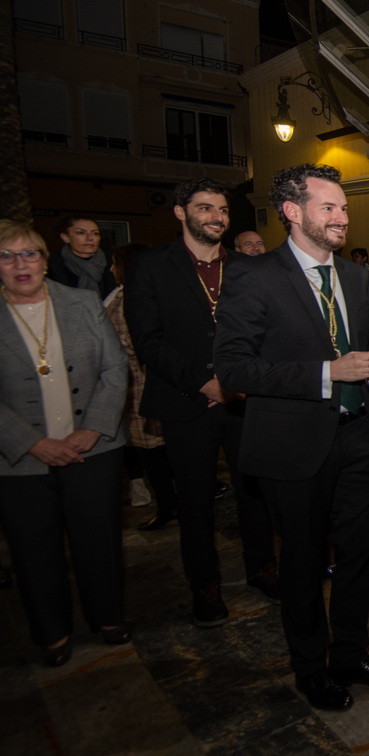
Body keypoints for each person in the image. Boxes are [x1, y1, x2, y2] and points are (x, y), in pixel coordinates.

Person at [214, 163, 369, 712]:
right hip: (293, 447)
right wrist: (329, 372)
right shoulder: (254, 275)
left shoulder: (353, 276)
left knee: (359, 556)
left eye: (344, 208)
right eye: (329, 208)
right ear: (292, 213)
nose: (342, 218)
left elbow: (365, 345)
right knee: (302, 564)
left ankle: (350, 653)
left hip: (359, 439)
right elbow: (233, 370)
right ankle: (311, 667)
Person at [126, 178, 280, 625]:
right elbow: (148, 342)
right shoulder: (151, 266)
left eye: (223, 210)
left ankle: (263, 569)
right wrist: (205, 383)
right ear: (181, 212)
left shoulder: (247, 267)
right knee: (195, 502)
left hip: (245, 400)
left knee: (255, 492)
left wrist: (244, 380)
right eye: (206, 208)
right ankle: (205, 586)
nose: (217, 217)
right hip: (185, 402)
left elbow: (266, 331)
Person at [0, 220, 130, 667]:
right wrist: (32, 442)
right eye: (7, 255)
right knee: (33, 547)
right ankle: (51, 633)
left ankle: (108, 616)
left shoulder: (79, 302)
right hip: (20, 460)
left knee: (100, 538)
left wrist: (93, 428)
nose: (20, 265)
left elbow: (116, 368)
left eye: (29, 254)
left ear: (44, 259)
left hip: (93, 449)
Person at [104, 242, 178, 531]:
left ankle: (169, 504)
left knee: (154, 450)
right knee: (155, 449)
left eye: (114, 262)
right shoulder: (120, 296)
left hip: (140, 383)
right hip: (134, 383)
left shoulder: (130, 299)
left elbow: (135, 346)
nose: (110, 268)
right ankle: (169, 502)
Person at [47, 215, 115, 297]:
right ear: (65, 237)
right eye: (81, 232)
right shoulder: (51, 265)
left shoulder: (114, 262)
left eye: (95, 233)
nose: (89, 238)